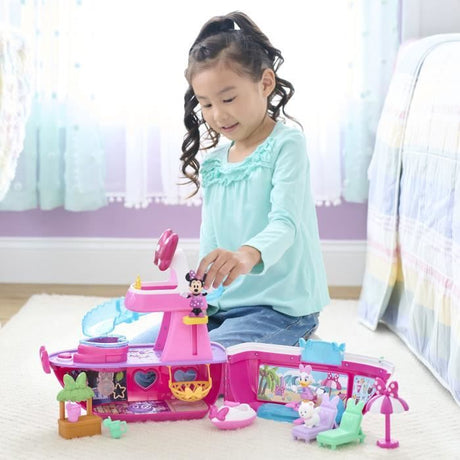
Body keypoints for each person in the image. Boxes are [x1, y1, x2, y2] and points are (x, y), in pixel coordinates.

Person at [179, 11, 329, 348]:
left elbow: (285, 224)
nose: (218, 114)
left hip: (280, 309)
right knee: (150, 352)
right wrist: (199, 291)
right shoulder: (214, 163)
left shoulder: (286, 144)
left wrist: (246, 255)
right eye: (206, 104)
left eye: (228, 99)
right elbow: (211, 241)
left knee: (207, 364)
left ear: (265, 83)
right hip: (221, 307)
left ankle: (297, 341)